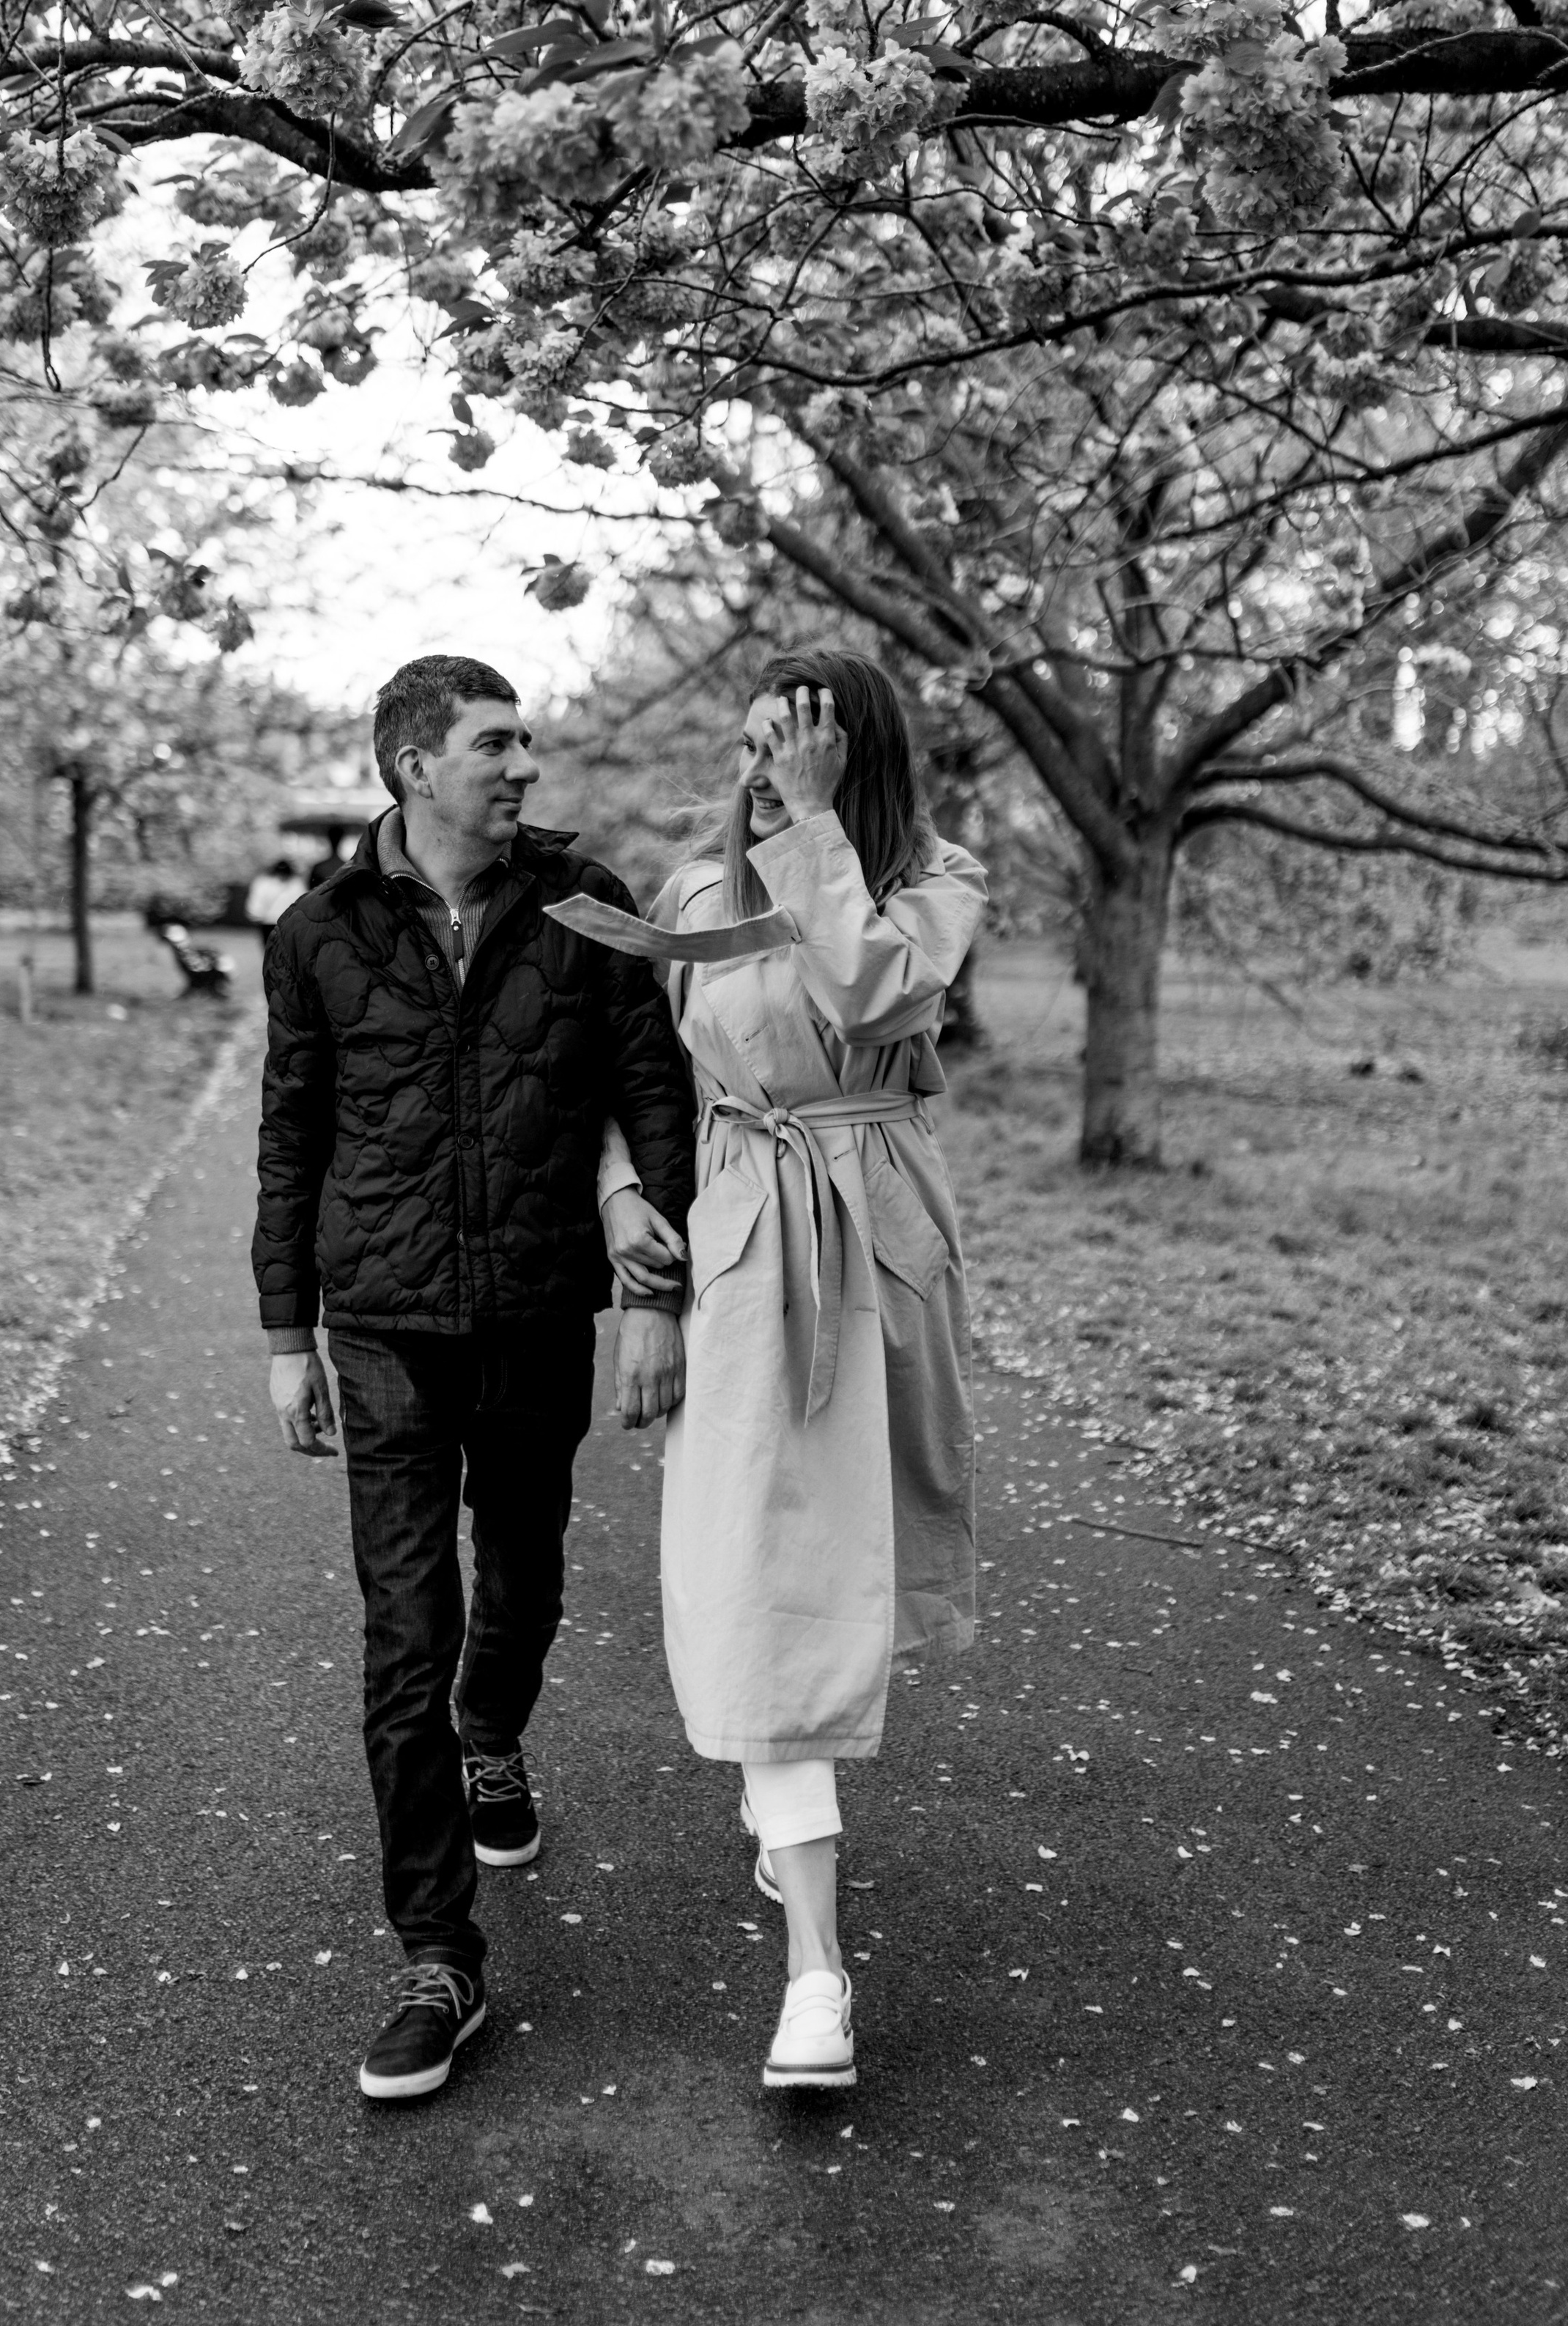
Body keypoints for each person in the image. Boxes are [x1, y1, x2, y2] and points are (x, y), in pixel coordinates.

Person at [252, 655, 693, 2104]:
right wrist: (279, 1336)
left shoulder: (588, 898)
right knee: (402, 1631)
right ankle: (438, 1955)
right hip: (378, 1320)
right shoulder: (318, 931)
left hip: (529, 1307)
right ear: (412, 763)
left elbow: (650, 1086)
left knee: (522, 1576)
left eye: (526, 742)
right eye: (495, 744)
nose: (522, 767)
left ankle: (492, 1728)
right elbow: (291, 1131)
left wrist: (653, 1272)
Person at [592, 649, 987, 2091]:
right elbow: (642, 1075)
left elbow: (878, 993)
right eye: (759, 741)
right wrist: (620, 1202)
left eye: (801, 743)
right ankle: (815, 1969)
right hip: (747, 1238)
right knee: (768, 1584)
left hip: (874, 1236)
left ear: (851, 746)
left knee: (847, 1573)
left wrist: (816, 830)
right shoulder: (695, 892)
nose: (769, 765)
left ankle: (791, 1805)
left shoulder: (934, 873)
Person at [244, 857, 304, 945]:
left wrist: (256, 914)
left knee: (271, 949)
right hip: (285, 922)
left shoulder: (264, 882)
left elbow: (256, 902)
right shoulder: (297, 883)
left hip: (271, 921)